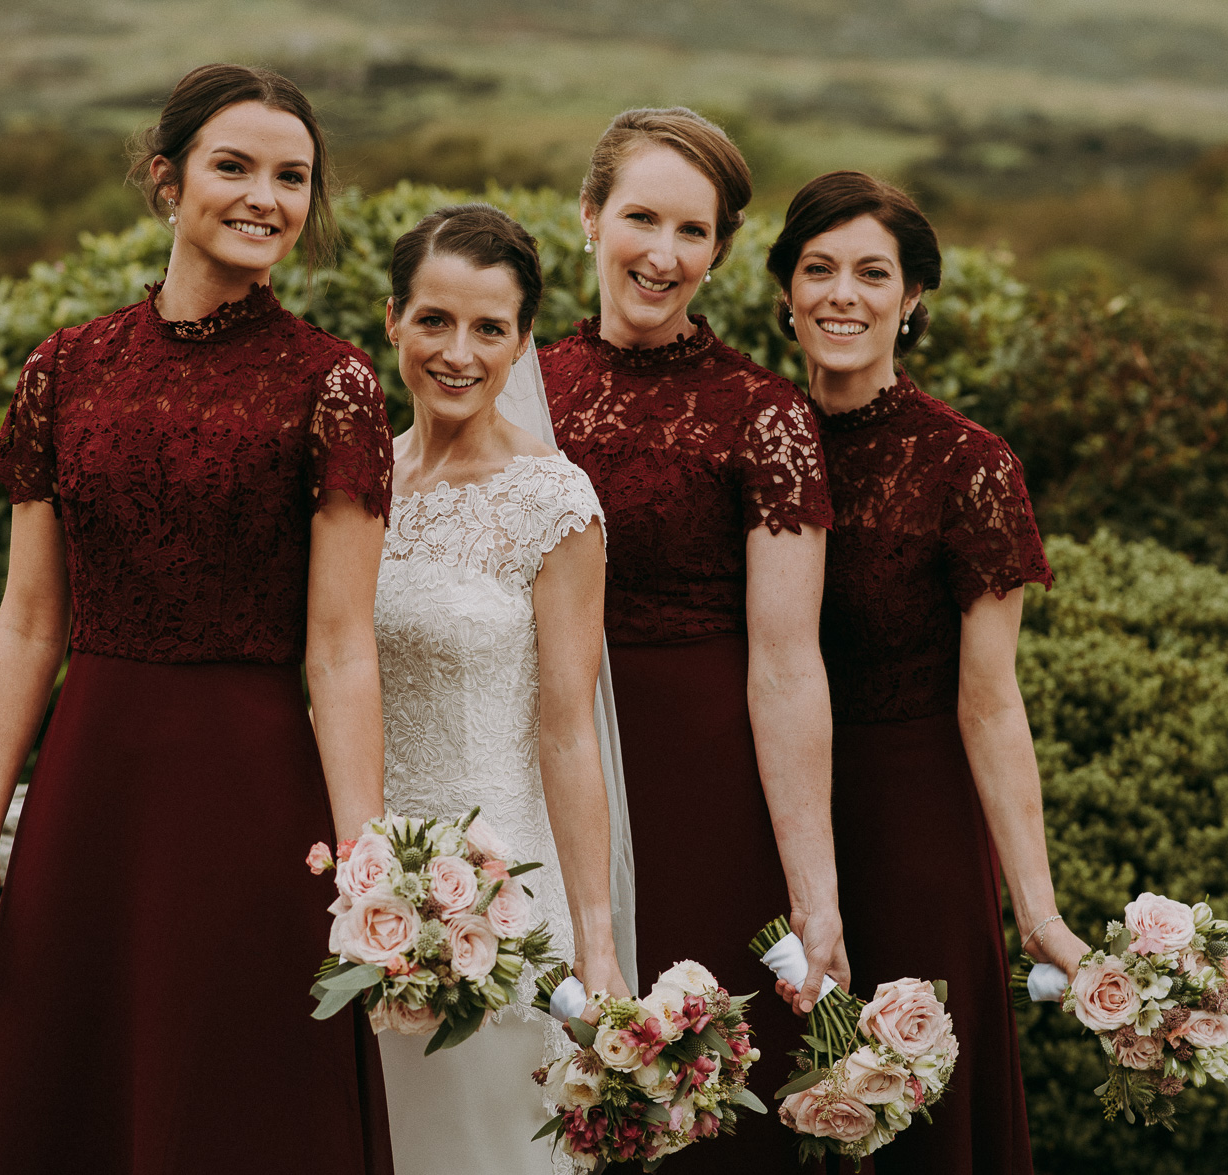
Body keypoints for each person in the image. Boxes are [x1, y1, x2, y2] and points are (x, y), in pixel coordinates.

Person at [0, 64, 395, 1174]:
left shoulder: (335, 384)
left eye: (291, 177)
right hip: (94, 785)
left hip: (257, 793)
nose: (263, 197)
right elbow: (30, 623)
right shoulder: (64, 371)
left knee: (237, 1094)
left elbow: (339, 647)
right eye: (233, 166)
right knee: (67, 1093)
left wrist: (370, 868)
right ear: (164, 179)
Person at [543, 107, 848, 1172]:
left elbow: (785, 662)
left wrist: (816, 896)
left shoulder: (763, 416)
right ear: (588, 216)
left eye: (691, 232)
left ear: (717, 252)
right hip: (535, 773)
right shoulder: (513, 390)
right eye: (639, 217)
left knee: (699, 1098)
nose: (661, 255)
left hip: (699, 787)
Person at [766, 170, 1088, 1174]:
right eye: (817, 269)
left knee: (914, 1108)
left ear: (911, 299)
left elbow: (991, 702)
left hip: (912, 823)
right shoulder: (754, 439)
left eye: (871, 272)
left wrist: (1036, 908)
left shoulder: (968, 464)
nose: (841, 295)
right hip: (765, 811)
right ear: (784, 292)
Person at [372, 202, 635, 1174]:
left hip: (501, 904)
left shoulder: (552, 500)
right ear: (391, 317)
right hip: (365, 899)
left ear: (522, 341)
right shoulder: (356, 481)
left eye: (489, 328)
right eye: (434, 319)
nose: (458, 351)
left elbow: (568, 731)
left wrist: (597, 945)